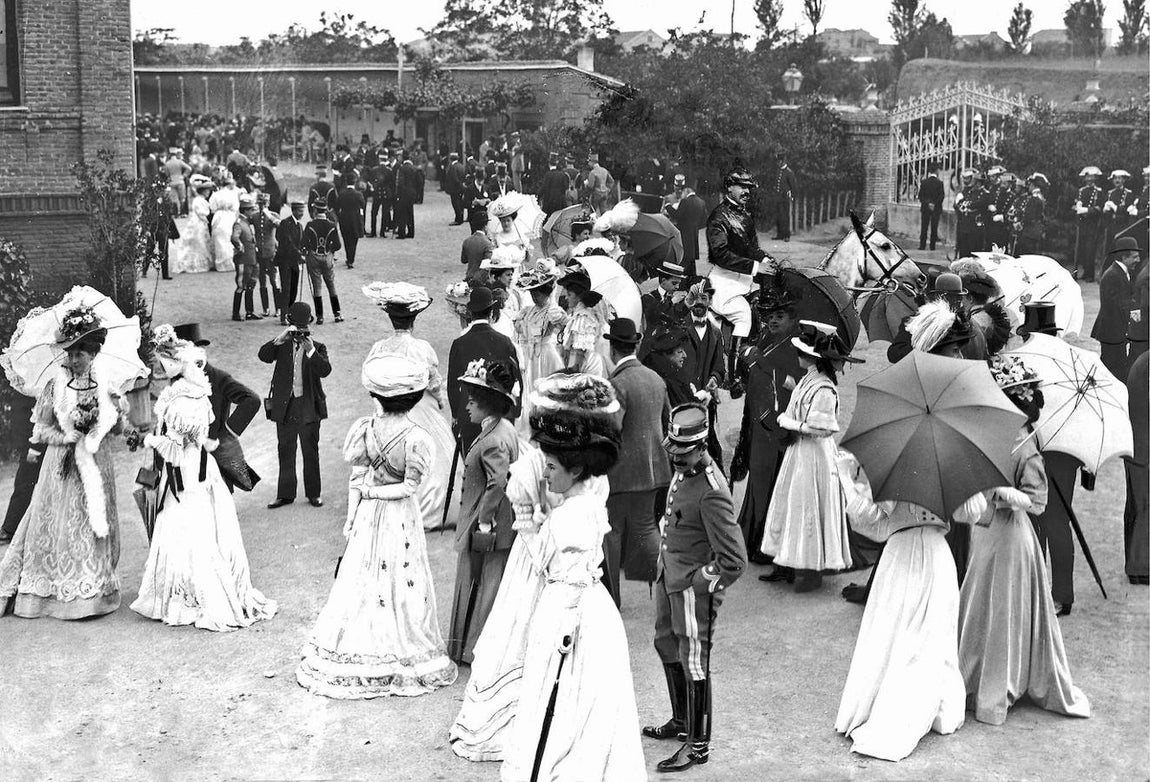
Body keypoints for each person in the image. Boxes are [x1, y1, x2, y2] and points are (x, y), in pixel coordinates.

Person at [449, 373, 613, 762]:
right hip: (541, 557)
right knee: (525, 634)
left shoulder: (579, 468)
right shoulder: (542, 466)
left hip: (557, 562)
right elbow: (529, 520)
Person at [499, 374, 646, 782]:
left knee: (567, 702)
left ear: (576, 465)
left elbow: (543, 561)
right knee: (583, 705)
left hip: (571, 614)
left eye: (551, 465)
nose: (544, 472)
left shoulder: (571, 516)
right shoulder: (590, 492)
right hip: (585, 607)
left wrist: (525, 519)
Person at [296, 353, 458, 698]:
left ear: (377, 396)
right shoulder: (416, 437)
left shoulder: (366, 428)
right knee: (400, 575)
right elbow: (409, 487)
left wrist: (355, 512)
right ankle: (398, 641)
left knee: (366, 574)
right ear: (414, 399)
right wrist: (362, 504)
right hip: (399, 516)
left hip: (371, 513)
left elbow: (357, 478)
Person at [957, 355, 1091, 726]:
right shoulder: (993, 435)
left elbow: (1037, 501)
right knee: (980, 603)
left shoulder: (1026, 445)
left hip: (1010, 536)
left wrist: (1003, 492)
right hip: (984, 533)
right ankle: (971, 678)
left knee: (1003, 608)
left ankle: (1000, 683)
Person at [835, 455, 985, 761]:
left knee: (891, 631)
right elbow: (975, 511)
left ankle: (889, 705)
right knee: (931, 636)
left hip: (901, 554)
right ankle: (929, 704)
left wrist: (846, 478)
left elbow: (864, 519)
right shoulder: (951, 463)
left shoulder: (895, 463)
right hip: (935, 554)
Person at [131, 338, 277, 631]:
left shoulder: (186, 398)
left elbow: (174, 445)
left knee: (192, 526)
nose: (158, 369)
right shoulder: (190, 391)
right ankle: (177, 590)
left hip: (188, 469)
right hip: (192, 464)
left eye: (162, 363)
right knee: (194, 524)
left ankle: (189, 594)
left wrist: (147, 440)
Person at [644, 402, 747, 772]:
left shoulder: (712, 490)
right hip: (669, 576)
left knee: (694, 662)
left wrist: (697, 584)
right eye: (674, 452)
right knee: (664, 643)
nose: (676, 460)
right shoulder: (686, 471)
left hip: (691, 590)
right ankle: (682, 721)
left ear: (702, 447)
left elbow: (734, 560)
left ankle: (698, 744)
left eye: (683, 455)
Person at [0, 309, 121, 619]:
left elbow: (119, 428)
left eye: (80, 352)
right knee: (62, 523)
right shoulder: (55, 386)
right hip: (60, 465)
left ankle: (93, 591)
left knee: (93, 522)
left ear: (94, 353)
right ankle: (56, 590)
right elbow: (40, 430)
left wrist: (108, 418)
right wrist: (67, 435)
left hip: (96, 463)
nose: (73, 358)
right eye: (70, 352)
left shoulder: (106, 385)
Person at [758, 321, 858, 592]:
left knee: (807, 508)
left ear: (814, 358)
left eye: (802, 353)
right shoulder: (808, 379)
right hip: (800, 453)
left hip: (813, 455)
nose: (798, 356)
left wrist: (788, 422)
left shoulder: (824, 388)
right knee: (793, 506)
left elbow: (821, 428)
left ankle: (810, 571)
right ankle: (789, 564)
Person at [365, 283, 454, 531]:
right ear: (413, 320)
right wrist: (440, 399)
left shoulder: (380, 348)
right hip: (419, 407)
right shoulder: (421, 348)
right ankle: (427, 508)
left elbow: (371, 379)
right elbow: (434, 381)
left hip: (388, 407)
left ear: (391, 319)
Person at [448, 359, 520, 665]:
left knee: (481, 584)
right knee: (488, 584)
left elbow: (497, 483)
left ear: (488, 406)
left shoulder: (492, 440)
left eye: (473, 402)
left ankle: (472, 648)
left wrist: (485, 521)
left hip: (486, 525)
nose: (467, 407)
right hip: (497, 523)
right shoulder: (502, 429)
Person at [602, 318, 672, 606]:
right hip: (654, 469)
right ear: (635, 345)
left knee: (613, 532)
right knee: (646, 527)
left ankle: (611, 599)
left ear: (612, 349)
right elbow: (668, 423)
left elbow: (611, 431)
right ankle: (671, 588)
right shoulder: (655, 378)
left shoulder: (617, 384)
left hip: (622, 472)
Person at [731, 287, 801, 564]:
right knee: (758, 477)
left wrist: (762, 363)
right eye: (769, 315)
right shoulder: (765, 338)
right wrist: (746, 359)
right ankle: (751, 536)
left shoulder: (797, 345)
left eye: (779, 316)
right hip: (756, 418)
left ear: (792, 319)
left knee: (770, 479)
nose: (772, 321)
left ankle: (767, 543)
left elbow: (794, 384)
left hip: (778, 422)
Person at [707, 167, 778, 379]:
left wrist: (767, 260)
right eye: (742, 187)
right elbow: (720, 254)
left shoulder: (745, 215)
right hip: (724, 282)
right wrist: (756, 267)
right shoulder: (718, 216)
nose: (746, 191)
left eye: (749, 188)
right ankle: (733, 375)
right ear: (729, 187)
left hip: (745, 280)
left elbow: (752, 249)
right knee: (743, 316)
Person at [261, 302, 331, 511]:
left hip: (308, 405)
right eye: (296, 329)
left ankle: (313, 493)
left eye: (303, 329)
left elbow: (325, 370)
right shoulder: (282, 344)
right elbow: (263, 356)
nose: (300, 333)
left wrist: (310, 351)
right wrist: (279, 339)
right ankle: (285, 494)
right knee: (285, 448)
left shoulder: (317, 347)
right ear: (290, 325)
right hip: (286, 406)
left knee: (310, 450)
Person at [446, 287, 521, 453]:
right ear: (490, 312)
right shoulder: (505, 341)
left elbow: (452, 384)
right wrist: (514, 411)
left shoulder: (459, 343)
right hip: (499, 414)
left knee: (472, 462)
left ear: (471, 314)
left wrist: (456, 414)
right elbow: (516, 380)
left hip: (470, 412)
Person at [511, 265, 567, 437]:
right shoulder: (527, 311)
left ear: (548, 292)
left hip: (546, 355)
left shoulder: (552, 311)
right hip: (529, 356)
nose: (535, 297)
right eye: (532, 293)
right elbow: (520, 332)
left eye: (539, 293)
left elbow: (564, 327)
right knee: (528, 392)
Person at [682, 280, 726, 467]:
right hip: (683, 398)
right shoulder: (680, 328)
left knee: (710, 449)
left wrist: (714, 380)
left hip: (706, 403)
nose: (699, 304)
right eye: (696, 300)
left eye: (704, 299)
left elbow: (719, 367)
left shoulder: (716, 333)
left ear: (709, 302)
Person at [1093, 236, 1138, 383]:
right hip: (1110, 333)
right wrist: (1137, 309)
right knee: (1110, 371)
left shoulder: (1123, 272)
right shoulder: (1112, 275)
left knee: (1118, 369)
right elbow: (1116, 304)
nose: (1138, 260)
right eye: (1134, 257)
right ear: (1124, 257)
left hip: (1116, 331)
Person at [557, 263, 611, 377]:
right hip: (587, 364)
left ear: (578, 296)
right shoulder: (582, 314)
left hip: (586, 367)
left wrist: (572, 375)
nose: (566, 298)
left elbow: (580, 353)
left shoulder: (583, 317)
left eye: (569, 294)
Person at [1125, 351, 1149, 584]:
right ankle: (1140, 568)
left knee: (1137, 506)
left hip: (1137, 446)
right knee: (1144, 507)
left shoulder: (1142, 362)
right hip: (1145, 449)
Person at [301, 198, 343, 324]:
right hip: (327, 257)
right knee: (331, 285)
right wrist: (330, 250)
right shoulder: (332, 225)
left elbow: (303, 243)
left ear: (315, 210)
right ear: (325, 210)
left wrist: (308, 250)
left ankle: (320, 316)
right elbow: (338, 245)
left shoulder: (310, 225)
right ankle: (337, 314)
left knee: (317, 287)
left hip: (313, 257)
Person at [639, 259, 689, 354]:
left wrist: (687, 303)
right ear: (663, 281)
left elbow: (677, 316)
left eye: (679, 283)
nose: (677, 287)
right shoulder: (648, 298)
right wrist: (673, 302)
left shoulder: (671, 299)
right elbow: (656, 317)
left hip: (667, 348)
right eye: (674, 283)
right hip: (649, 348)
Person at [664, 175, 708, 279]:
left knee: (684, 257)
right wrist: (695, 227)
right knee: (692, 259)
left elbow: (677, 215)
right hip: (694, 234)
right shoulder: (701, 202)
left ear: (687, 191)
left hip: (684, 233)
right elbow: (705, 221)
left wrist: (668, 206)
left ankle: (682, 281)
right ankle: (693, 279)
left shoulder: (685, 201)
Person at [173, 175, 214, 274]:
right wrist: (207, 221)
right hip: (199, 222)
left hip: (196, 221)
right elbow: (202, 213)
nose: (208, 192)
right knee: (199, 242)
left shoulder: (199, 200)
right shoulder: (200, 200)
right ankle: (194, 263)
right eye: (207, 191)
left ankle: (198, 262)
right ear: (203, 191)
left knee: (199, 242)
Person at [230, 194, 262, 322]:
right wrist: (240, 247)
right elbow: (234, 238)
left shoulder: (246, 222)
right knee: (241, 286)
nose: (253, 212)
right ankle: (236, 313)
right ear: (246, 210)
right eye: (251, 210)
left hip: (252, 259)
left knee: (250, 285)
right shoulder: (239, 223)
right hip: (243, 260)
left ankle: (250, 312)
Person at [275, 201, 306, 324]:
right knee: (286, 288)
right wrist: (299, 254)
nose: (302, 213)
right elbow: (287, 242)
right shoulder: (285, 223)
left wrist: (304, 251)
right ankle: (284, 316)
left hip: (294, 262)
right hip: (285, 261)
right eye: (300, 211)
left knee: (294, 288)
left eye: (303, 211)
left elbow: (300, 242)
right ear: (293, 211)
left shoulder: (299, 226)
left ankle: (291, 314)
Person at [251, 191, 281, 318]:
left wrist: (268, 215)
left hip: (271, 251)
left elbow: (279, 224)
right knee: (262, 281)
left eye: (264, 203)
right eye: (260, 204)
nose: (262, 206)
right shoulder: (254, 216)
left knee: (274, 281)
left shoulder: (273, 215)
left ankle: (278, 309)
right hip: (259, 252)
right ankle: (266, 308)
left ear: (268, 203)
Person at [1074, 166, 1105, 281]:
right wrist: (1077, 207)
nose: (1089, 179)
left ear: (1095, 178)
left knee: (1090, 250)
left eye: (1091, 177)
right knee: (1081, 249)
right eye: (1087, 177)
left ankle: (1090, 274)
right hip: (1082, 224)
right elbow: (1077, 203)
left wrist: (1087, 210)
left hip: (1092, 224)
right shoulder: (1081, 191)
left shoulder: (1098, 192)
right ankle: (1083, 272)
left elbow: (1099, 208)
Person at [1103, 169, 1138, 272]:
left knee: (1121, 250)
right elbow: (1106, 212)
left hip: (1122, 225)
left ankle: (1122, 271)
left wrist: (1115, 208)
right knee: (1110, 249)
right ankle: (1108, 271)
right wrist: (1105, 210)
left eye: (1119, 178)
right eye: (1115, 179)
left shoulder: (1128, 193)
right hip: (1111, 225)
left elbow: (1127, 211)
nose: (1117, 180)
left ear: (1124, 180)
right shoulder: (1110, 193)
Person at [208, 173, 241, 272]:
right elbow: (236, 207)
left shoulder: (216, 194)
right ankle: (229, 262)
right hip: (229, 216)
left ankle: (220, 263)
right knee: (228, 237)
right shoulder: (232, 194)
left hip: (218, 216)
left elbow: (212, 208)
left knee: (218, 238)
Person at [1010, 173, 1049, 255]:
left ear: (1034, 185)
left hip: (1029, 233)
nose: (1029, 187)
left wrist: (1019, 224)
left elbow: (1029, 216)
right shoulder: (1040, 197)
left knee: (1024, 256)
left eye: (1030, 184)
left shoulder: (1034, 198)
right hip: (1035, 232)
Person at [336, 169, 366, 268]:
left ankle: (348, 257)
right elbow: (363, 207)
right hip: (356, 220)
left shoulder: (342, 194)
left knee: (346, 240)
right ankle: (351, 259)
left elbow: (337, 207)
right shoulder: (359, 194)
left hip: (344, 220)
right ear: (355, 182)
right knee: (354, 240)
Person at [953, 169, 985, 259]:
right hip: (964, 226)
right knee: (963, 253)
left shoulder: (983, 193)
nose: (971, 182)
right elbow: (958, 205)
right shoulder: (968, 192)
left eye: (973, 180)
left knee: (973, 254)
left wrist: (964, 205)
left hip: (975, 227)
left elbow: (975, 205)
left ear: (978, 182)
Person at [982, 166, 1014, 251]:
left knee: (1001, 250)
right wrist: (989, 206)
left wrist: (1003, 217)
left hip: (1002, 228)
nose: (1002, 186)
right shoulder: (997, 193)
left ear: (1010, 184)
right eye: (1002, 183)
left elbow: (1012, 212)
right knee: (989, 248)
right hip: (992, 226)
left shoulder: (1012, 197)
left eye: (1005, 184)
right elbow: (990, 202)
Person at [770, 152, 798, 242]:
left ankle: (787, 235)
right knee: (778, 216)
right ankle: (780, 234)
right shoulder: (778, 171)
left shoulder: (789, 172)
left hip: (785, 197)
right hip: (778, 197)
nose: (777, 163)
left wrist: (793, 196)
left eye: (779, 161)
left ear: (783, 161)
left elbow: (793, 186)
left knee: (785, 216)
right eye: (777, 161)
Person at [461, 211, 494, 285]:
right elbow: (488, 265)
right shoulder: (487, 243)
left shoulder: (467, 241)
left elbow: (464, 260)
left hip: (469, 277)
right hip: (482, 280)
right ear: (485, 226)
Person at [918, 162, 945, 251]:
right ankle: (932, 246)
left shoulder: (924, 182)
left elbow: (920, 196)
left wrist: (928, 203)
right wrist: (934, 204)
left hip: (925, 208)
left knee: (924, 227)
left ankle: (922, 245)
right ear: (937, 171)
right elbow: (941, 196)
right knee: (934, 227)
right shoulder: (939, 183)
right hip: (936, 208)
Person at [395, 155, 420, 239]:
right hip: (412, 193)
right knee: (410, 213)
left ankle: (401, 233)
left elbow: (400, 183)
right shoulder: (415, 169)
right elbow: (419, 182)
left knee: (402, 213)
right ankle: (411, 232)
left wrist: (398, 193)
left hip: (404, 194)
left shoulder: (402, 169)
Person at [539, 151, 570, 218]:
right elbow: (565, 188)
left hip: (548, 204)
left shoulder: (548, 175)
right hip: (559, 204)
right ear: (557, 163)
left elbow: (543, 189)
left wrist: (538, 198)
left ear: (549, 163)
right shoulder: (562, 175)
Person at [444, 151, 468, 225]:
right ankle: (461, 217)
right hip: (461, 188)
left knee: (455, 204)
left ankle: (458, 219)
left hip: (454, 189)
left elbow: (454, 179)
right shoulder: (461, 166)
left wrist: (459, 185)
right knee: (460, 203)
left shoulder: (452, 167)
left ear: (451, 159)